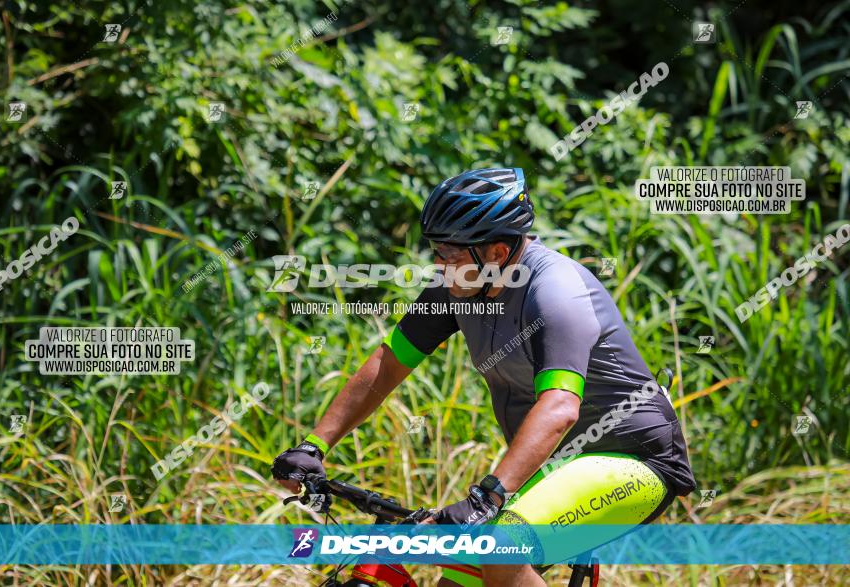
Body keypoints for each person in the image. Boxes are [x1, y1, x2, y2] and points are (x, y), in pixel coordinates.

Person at [272, 168, 696, 586]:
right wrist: (315, 445)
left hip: (635, 459)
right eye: (436, 252)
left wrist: (486, 497)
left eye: (450, 254)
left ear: (495, 252)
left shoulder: (556, 292)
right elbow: (389, 364)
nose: (438, 265)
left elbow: (560, 406)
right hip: (551, 466)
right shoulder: (458, 284)